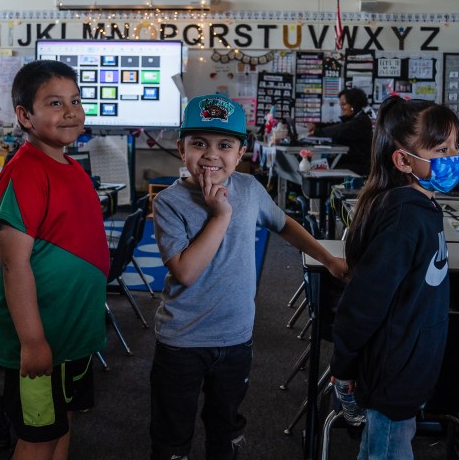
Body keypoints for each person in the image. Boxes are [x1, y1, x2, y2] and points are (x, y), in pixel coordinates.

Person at [149, 94, 348, 460]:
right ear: (181, 148)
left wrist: (327, 257)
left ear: (241, 153)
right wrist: (220, 216)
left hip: (235, 337)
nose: (211, 155)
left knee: (225, 428)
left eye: (224, 145)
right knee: (171, 434)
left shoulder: (250, 189)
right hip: (182, 340)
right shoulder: (168, 203)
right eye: (199, 144)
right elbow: (186, 272)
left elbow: (284, 224)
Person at [329, 96, 459, 459]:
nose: (453, 157)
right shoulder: (405, 218)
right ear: (403, 160)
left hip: (409, 361)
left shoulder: (421, 207)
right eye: (441, 149)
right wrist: (344, 363)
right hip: (394, 367)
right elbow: (364, 300)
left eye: (455, 147)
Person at [0, 60, 110, 460]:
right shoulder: (25, 171)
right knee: (38, 437)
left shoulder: (71, 166)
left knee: (62, 427)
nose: (71, 112)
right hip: (41, 339)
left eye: (75, 101)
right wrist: (32, 340)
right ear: (25, 116)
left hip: (72, 336)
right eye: (56, 103)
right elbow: (14, 264)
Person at [307, 87, 373, 174]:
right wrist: (317, 125)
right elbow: (337, 125)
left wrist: (317, 132)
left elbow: (340, 130)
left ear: (353, 106)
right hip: (348, 161)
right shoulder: (355, 118)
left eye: (344, 104)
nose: (341, 107)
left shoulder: (360, 122)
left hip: (357, 165)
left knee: (321, 171)